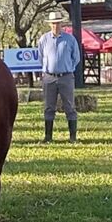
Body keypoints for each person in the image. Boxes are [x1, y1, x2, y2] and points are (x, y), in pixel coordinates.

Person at [37, 11, 80, 143]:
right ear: (50, 24)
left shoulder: (70, 39)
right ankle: (48, 137)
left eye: (58, 23)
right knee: (49, 107)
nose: (56, 25)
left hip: (66, 77)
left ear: (62, 23)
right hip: (49, 77)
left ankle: (73, 137)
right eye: (53, 23)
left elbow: (76, 58)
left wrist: (67, 67)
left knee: (69, 106)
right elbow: (40, 57)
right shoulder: (43, 39)